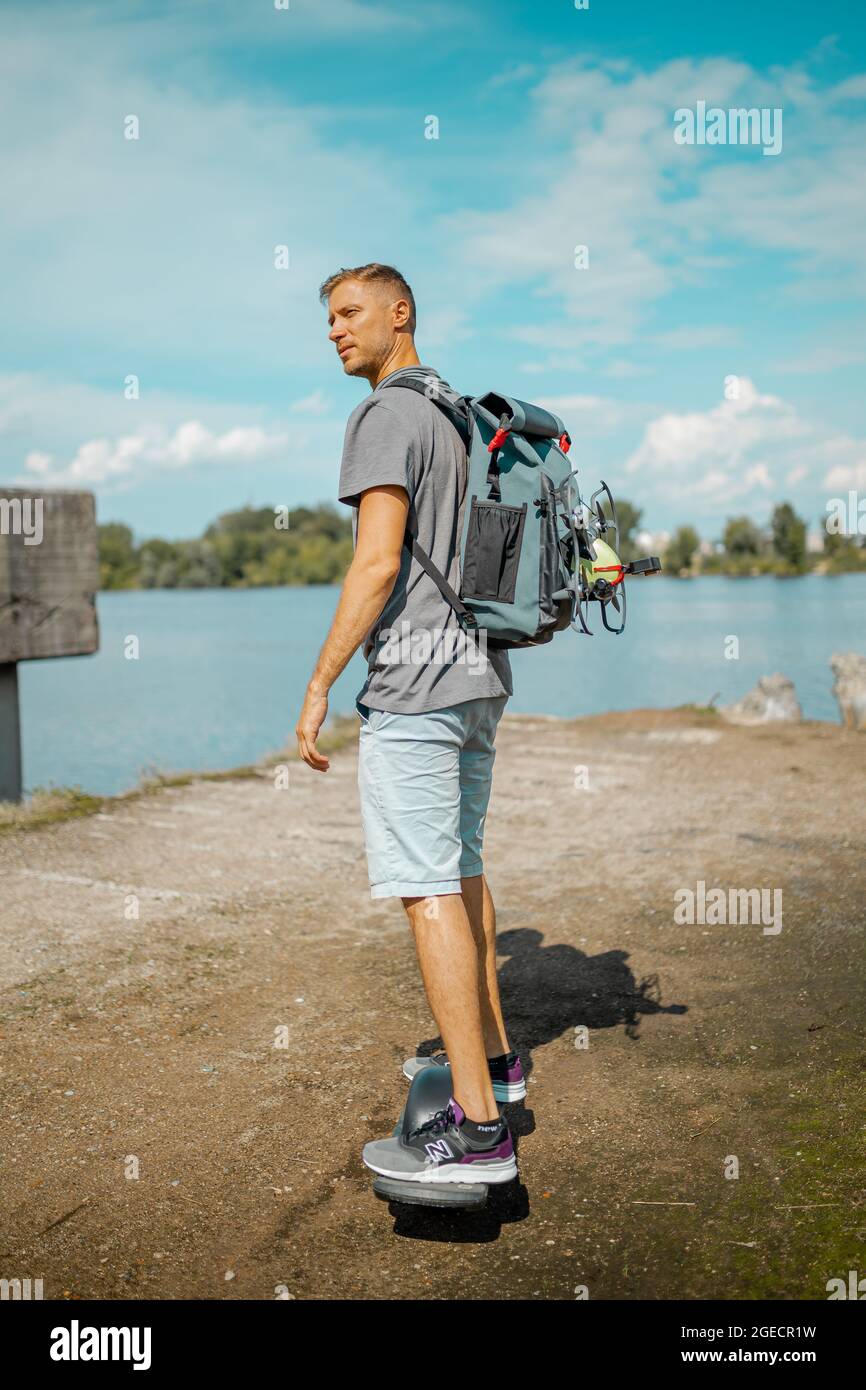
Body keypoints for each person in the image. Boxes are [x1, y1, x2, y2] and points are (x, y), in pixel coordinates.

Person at [295, 263, 524, 1185]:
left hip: (418, 687)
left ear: (402, 314)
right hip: (479, 680)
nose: (335, 332)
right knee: (462, 868)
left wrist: (318, 684)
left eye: (351, 315)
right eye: (328, 320)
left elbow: (376, 565)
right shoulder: (462, 414)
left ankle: (475, 1136)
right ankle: (498, 1074)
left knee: (425, 888)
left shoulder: (385, 414)